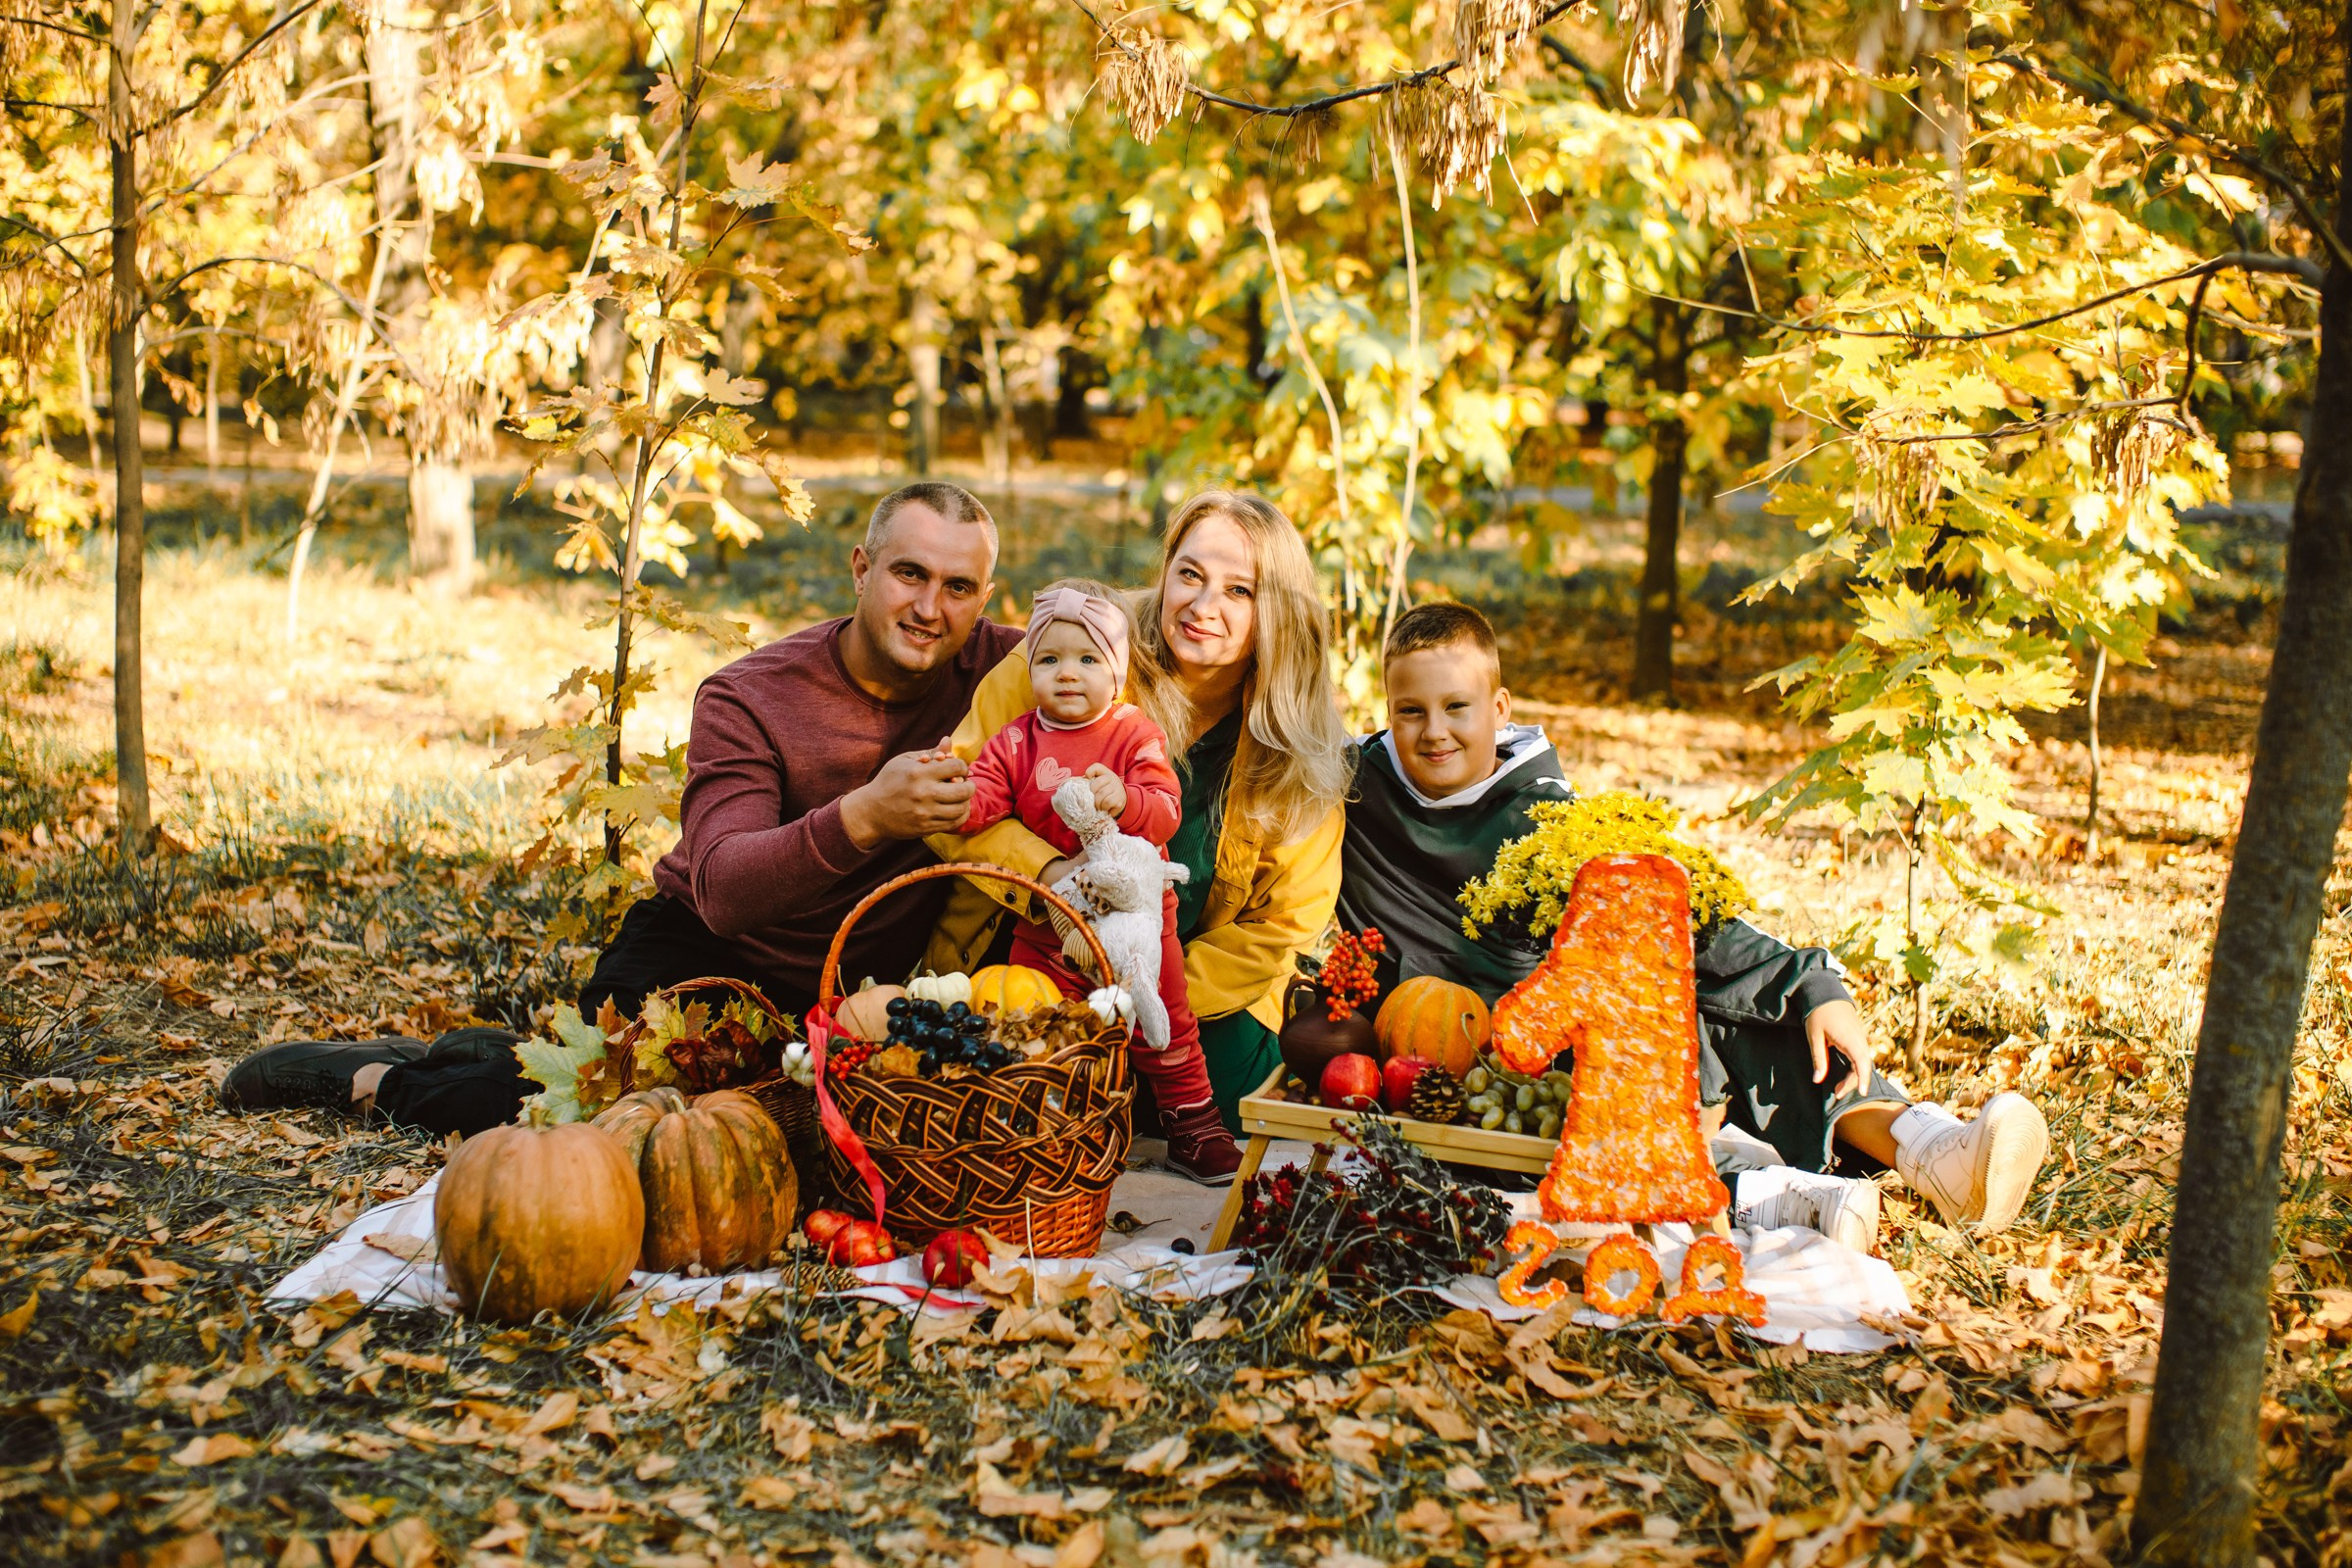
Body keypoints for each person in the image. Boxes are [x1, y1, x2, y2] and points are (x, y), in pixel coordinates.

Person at [220, 481, 1022, 1136]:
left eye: (958, 588)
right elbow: (724, 887)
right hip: (703, 954)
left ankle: (489, 1050)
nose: (930, 609)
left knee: (808, 1136)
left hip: (850, 992)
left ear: (985, 599)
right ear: (860, 568)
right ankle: (373, 1079)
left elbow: (1124, 628)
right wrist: (866, 817)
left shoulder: (1012, 668)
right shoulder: (751, 695)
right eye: (909, 575)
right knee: (589, 1122)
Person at [1333, 602, 2053, 1240]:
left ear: (1500, 708)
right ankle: (1774, 1199)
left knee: (1715, 1004)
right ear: (1386, 712)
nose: (1433, 733)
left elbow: (1687, 927)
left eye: (1456, 707)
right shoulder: (1356, 790)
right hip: (1463, 1063)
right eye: (1410, 711)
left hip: (1574, 1035)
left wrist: (1816, 985)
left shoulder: (1545, 816)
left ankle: (1924, 1148)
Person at [924, 490, 1354, 1161]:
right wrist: (1047, 874)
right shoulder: (1071, 656)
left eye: (1239, 590)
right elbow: (948, 803)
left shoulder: (1297, 746)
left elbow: (1283, 927)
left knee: (1226, 1109)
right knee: (1015, 1111)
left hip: (1183, 982)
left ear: (1277, 615)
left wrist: (1137, 985)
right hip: (1033, 948)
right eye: (1189, 574)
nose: (1202, 605)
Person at [952, 580, 1224, 1175]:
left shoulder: (1133, 734)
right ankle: (1043, 1124)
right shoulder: (1016, 741)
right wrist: (955, 795)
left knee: (1168, 1020)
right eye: (1049, 659)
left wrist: (1125, 798)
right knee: (1035, 1021)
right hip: (1051, 920)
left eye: (1087, 659)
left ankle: (1192, 1119)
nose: (1067, 673)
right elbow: (985, 806)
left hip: (1137, 922)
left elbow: (1165, 811)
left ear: (1116, 673)